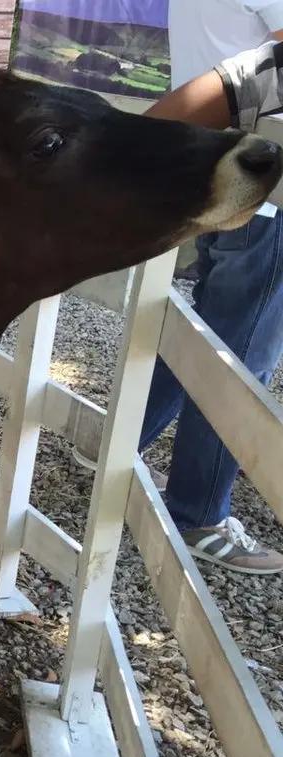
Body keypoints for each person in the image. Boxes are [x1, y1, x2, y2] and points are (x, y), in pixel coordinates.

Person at [72, 2, 283, 575]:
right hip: (262, 180)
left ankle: (119, 440)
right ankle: (199, 513)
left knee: (205, 332)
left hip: (212, 168)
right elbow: (275, 65)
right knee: (238, 359)